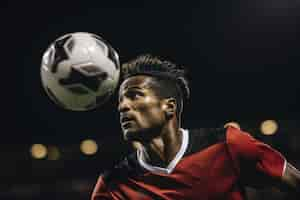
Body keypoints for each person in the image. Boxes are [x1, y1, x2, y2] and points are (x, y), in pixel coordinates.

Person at [91, 54, 300, 200]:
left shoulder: (228, 145)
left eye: (134, 95)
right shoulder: (113, 186)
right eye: (120, 100)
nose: (122, 106)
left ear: (169, 107)